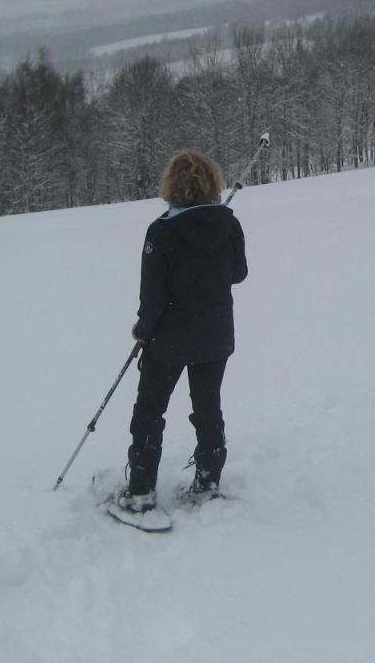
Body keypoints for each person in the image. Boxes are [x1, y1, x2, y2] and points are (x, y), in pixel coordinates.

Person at [116, 150, 248, 515]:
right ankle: (208, 482)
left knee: (149, 413)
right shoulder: (228, 224)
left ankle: (140, 490)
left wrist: (143, 331)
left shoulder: (161, 231)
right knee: (208, 409)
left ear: (172, 185)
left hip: (169, 339)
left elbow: (152, 295)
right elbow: (238, 273)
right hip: (215, 336)